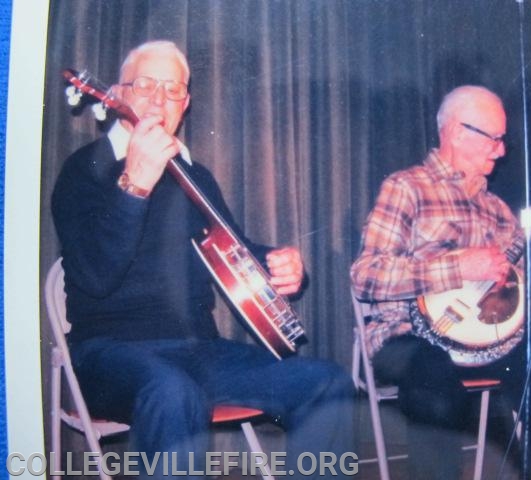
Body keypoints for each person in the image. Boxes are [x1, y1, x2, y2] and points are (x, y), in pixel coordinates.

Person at [52, 40, 354, 479]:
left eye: (173, 90)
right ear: (118, 93)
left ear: (185, 103)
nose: (159, 99)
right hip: (110, 353)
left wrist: (280, 264)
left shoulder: (195, 176)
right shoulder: (84, 170)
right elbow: (93, 276)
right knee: (174, 392)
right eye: (146, 85)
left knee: (329, 383)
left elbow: (234, 249)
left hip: (199, 351)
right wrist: (134, 184)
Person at [350, 85, 531, 479]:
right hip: (408, 337)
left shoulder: (495, 210)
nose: (501, 150)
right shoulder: (406, 188)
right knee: (434, 382)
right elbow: (366, 276)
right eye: (494, 138)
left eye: (502, 140)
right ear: (458, 133)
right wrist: (461, 267)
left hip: (487, 344)